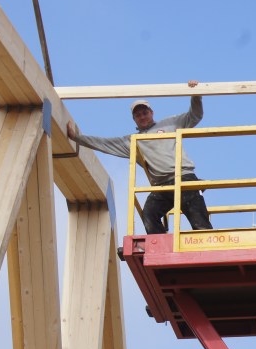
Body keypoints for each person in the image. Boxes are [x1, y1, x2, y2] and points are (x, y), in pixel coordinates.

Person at [67, 80, 213, 234]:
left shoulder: (169, 124)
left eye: (145, 113)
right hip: (162, 186)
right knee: (149, 213)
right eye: (138, 115)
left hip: (184, 178)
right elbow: (105, 144)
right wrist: (77, 138)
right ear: (134, 119)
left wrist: (195, 94)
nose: (142, 117)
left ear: (151, 113)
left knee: (199, 222)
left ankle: (208, 244)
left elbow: (195, 115)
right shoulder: (133, 141)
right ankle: (159, 244)